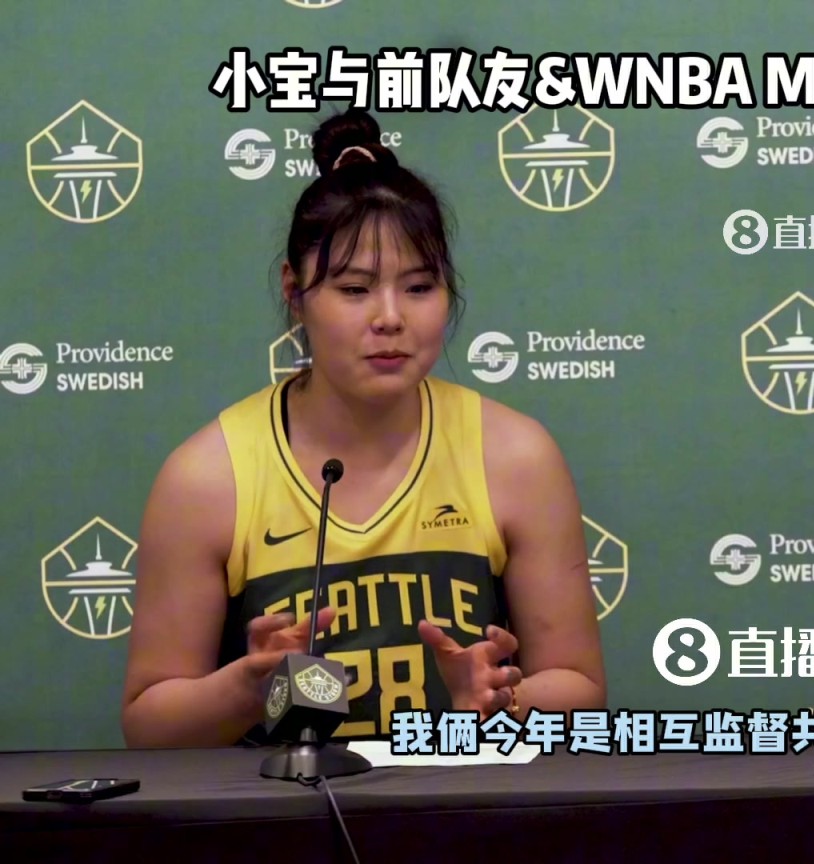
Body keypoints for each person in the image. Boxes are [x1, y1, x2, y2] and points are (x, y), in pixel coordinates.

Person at [120, 108, 606, 747]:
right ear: (294, 292)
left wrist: (500, 705)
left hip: (461, 801)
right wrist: (244, 691)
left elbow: (579, 685)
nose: (390, 317)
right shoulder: (207, 477)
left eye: (420, 287)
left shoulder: (516, 455)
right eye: (354, 290)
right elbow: (149, 725)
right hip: (281, 806)